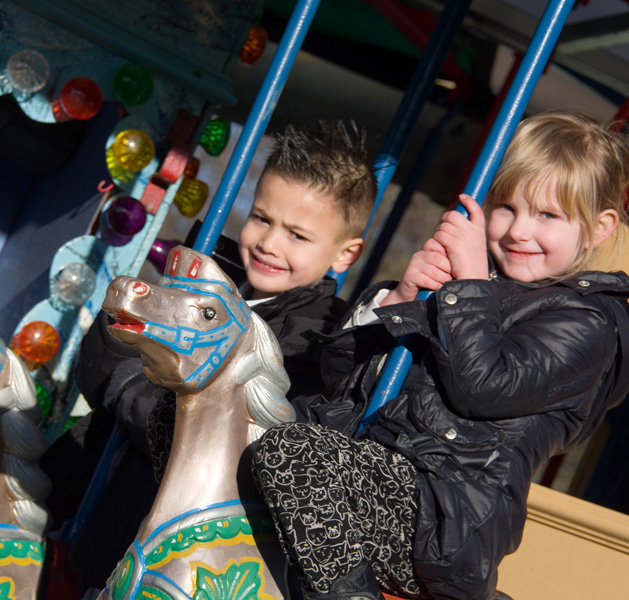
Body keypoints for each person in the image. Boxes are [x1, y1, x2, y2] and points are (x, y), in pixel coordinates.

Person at [251, 110, 629, 600]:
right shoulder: (467, 288)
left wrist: (469, 286)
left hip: (443, 513)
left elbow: (485, 388)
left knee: (292, 451)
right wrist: (400, 299)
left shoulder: (589, 322)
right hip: (366, 470)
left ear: (600, 227)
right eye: (505, 207)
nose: (519, 230)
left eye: (547, 215)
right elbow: (340, 379)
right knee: (222, 421)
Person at [40, 119, 378, 589]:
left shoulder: (314, 343)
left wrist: (126, 383)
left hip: (161, 552)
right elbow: (95, 367)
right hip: (86, 509)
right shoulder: (201, 277)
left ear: (345, 254)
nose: (269, 243)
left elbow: (215, 436)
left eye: (297, 236)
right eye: (262, 217)